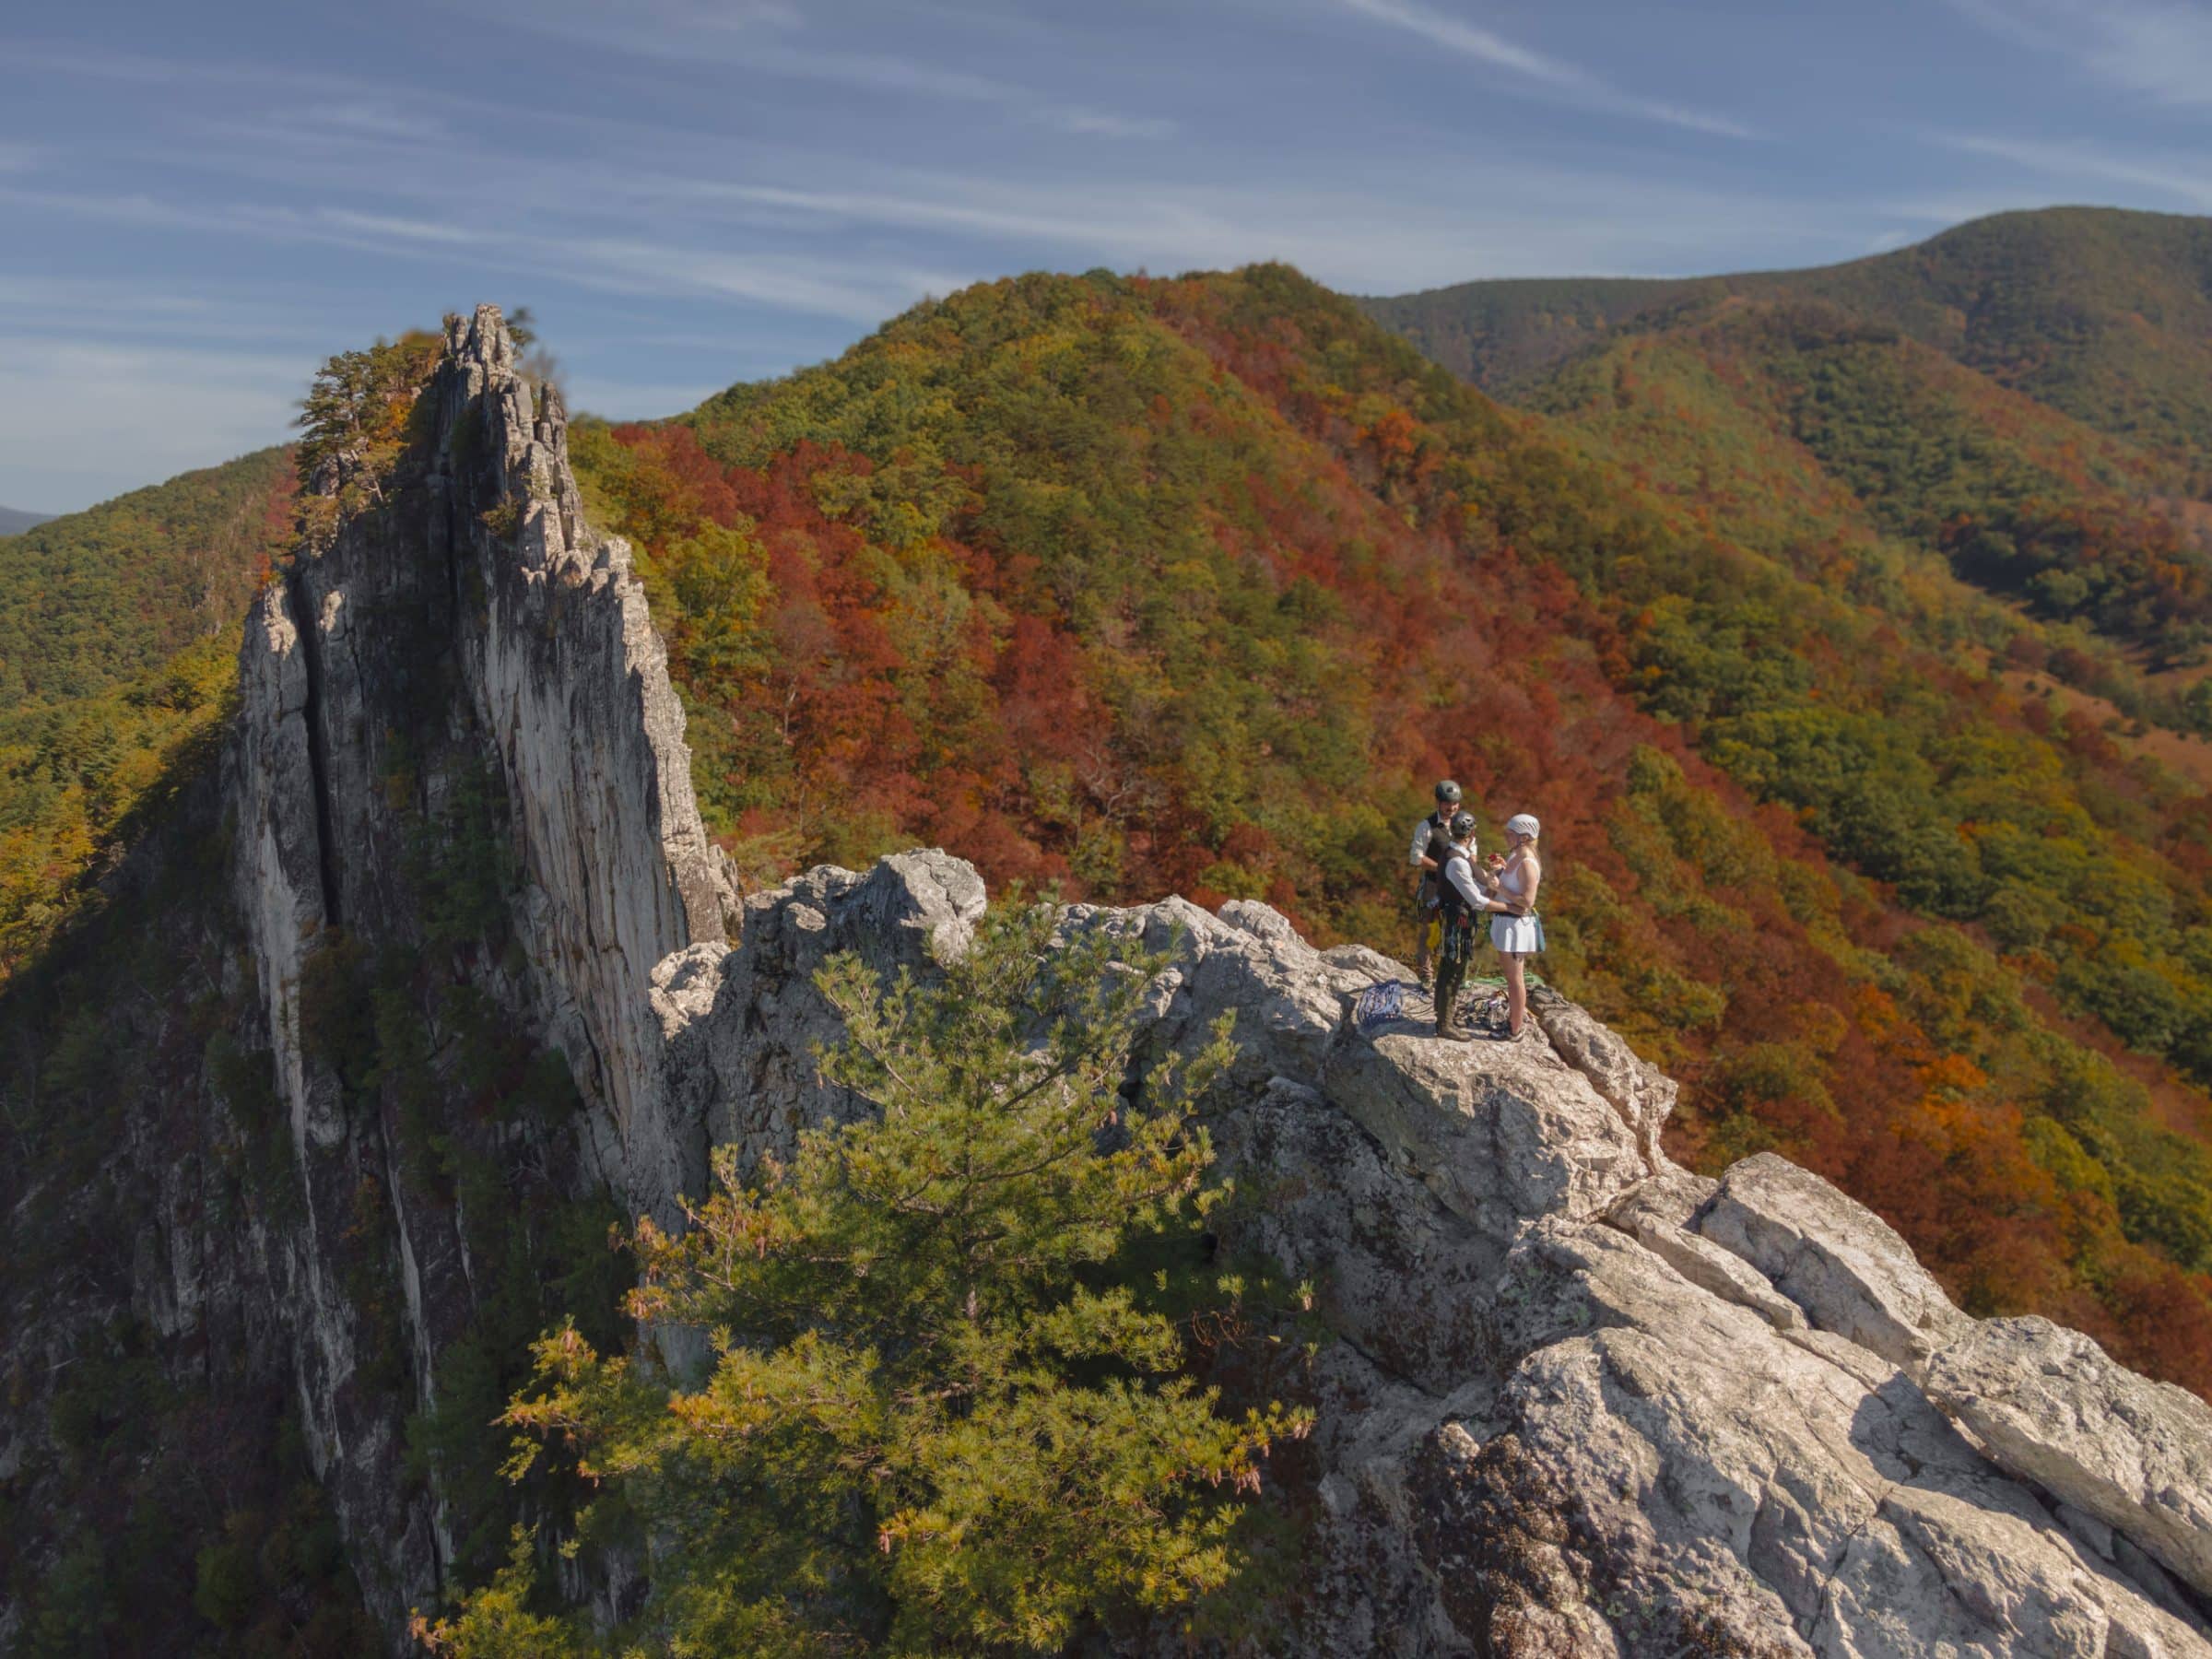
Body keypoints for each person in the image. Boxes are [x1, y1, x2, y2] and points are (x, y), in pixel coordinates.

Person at [1477, 813, 1546, 1041]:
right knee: (1512, 977)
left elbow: (1527, 901)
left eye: (1511, 833)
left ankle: (1515, 1028)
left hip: (1515, 927)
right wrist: (1501, 870)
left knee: (1515, 979)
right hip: (1507, 922)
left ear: (1524, 837)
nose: (1506, 836)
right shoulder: (1517, 855)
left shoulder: (1528, 863)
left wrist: (1501, 888)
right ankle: (1514, 1023)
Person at [1431, 811, 1490, 1039]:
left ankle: (1444, 1016)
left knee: (1451, 966)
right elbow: (1476, 898)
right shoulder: (1458, 860)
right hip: (1459, 918)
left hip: (1453, 915)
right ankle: (1445, 1024)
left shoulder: (1452, 853)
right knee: (1454, 968)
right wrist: (1505, 906)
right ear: (1472, 834)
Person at [1407, 780, 1464, 989]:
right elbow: (1416, 857)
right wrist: (1442, 867)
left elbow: (1472, 853)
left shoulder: (1464, 823)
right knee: (1431, 931)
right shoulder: (1427, 826)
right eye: (1448, 804)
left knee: (1456, 931)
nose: (1452, 808)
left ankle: (1453, 975)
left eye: (1455, 803)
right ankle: (1426, 974)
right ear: (1438, 802)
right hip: (1434, 886)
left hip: (1459, 888)